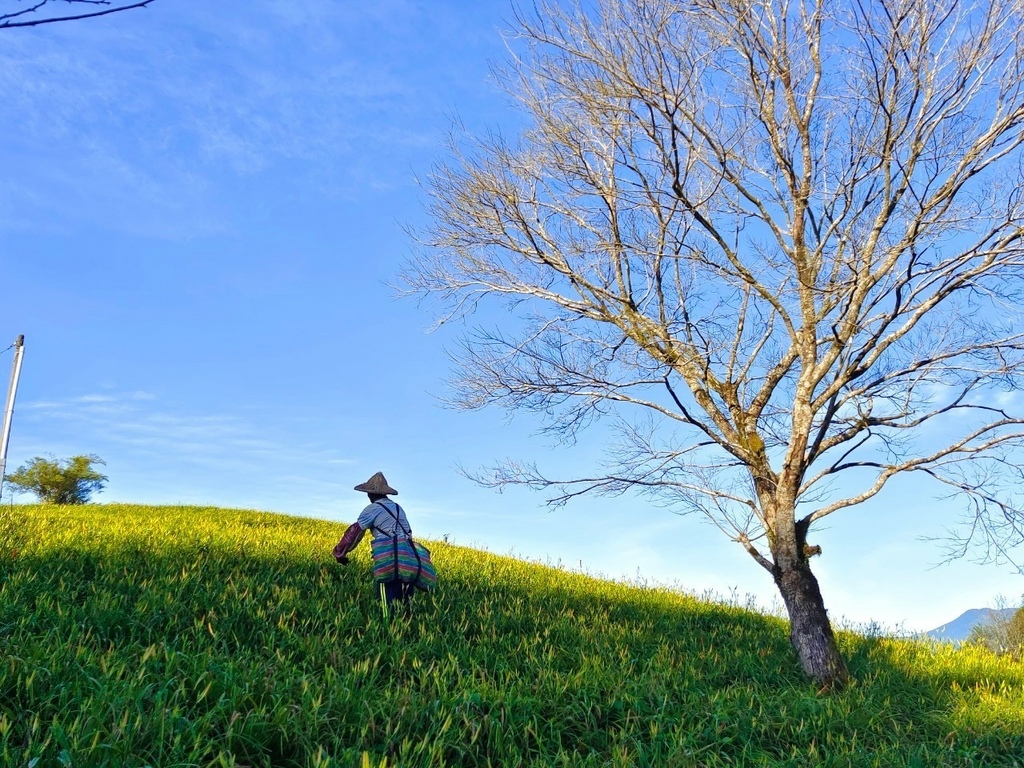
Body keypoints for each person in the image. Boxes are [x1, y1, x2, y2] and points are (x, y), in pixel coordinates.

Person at [332, 471, 417, 614]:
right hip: (409, 558)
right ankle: (406, 630)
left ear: (369, 494)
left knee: (385, 603)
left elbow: (355, 533)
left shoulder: (372, 509)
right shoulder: (398, 508)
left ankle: (387, 631)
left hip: (388, 559)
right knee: (406, 604)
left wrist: (340, 553)